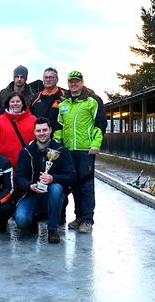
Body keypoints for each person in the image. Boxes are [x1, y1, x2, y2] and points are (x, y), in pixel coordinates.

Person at [54, 71, 103, 233]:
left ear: (82, 82)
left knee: (86, 186)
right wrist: (56, 145)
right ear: (67, 83)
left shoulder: (92, 101)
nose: (73, 84)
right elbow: (60, 128)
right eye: (71, 81)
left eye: (77, 81)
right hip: (68, 152)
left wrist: (95, 144)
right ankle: (79, 217)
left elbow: (100, 125)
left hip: (86, 152)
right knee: (74, 185)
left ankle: (88, 220)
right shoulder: (63, 104)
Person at [15, 117, 76, 243]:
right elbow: (19, 177)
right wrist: (30, 186)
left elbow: (72, 176)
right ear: (34, 132)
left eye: (44, 130)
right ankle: (31, 221)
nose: (41, 133)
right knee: (21, 220)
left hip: (52, 194)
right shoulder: (26, 151)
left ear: (50, 130)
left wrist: (53, 178)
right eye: (38, 130)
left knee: (56, 188)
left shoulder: (61, 151)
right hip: (31, 193)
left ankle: (53, 229)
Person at [0, 92, 36, 168]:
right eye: (12, 101)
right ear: (8, 103)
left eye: (18, 101)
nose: (15, 104)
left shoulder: (33, 120)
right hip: (4, 165)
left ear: (22, 103)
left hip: (27, 165)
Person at [29, 67, 67, 134]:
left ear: (57, 79)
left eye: (51, 77)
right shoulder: (35, 98)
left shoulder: (65, 97)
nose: (48, 79)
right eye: (46, 77)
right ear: (43, 80)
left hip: (58, 139)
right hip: (39, 138)